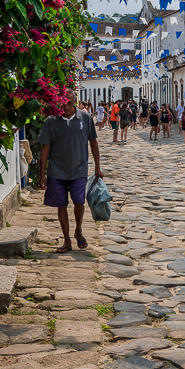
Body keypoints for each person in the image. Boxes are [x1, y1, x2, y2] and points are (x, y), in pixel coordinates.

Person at [38, 95, 103, 253]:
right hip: (56, 171)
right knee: (61, 206)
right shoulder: (51, 121)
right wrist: (42, 174)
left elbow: (93, 142)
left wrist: (97, 167)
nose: (65, 107)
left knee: (79, 202)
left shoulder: (85, 118)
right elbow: (45, 147)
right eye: (62, 103)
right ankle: (67, 240)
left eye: (69, 103)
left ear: (74, 102)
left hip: (79, 169)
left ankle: (78, 230)